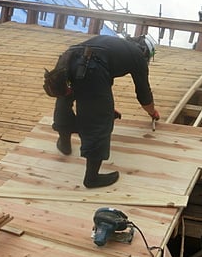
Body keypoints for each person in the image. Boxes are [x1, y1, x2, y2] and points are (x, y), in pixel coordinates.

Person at [44, 35, 159, 188]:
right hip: (92, 67)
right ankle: (92, 178)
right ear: (145, 52)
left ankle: (64, 143)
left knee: (64, 100)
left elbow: (100, 86)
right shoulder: (136, 56)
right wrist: (152, 112)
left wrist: (106, 106)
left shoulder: (114, 45)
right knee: (98, 121)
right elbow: (143, 93)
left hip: (68, 60)